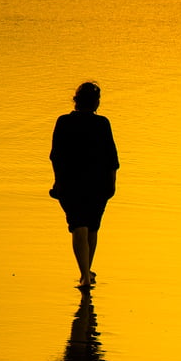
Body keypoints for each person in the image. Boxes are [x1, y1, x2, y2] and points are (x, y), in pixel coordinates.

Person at [50, 82, 119, 288]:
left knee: (78, 225)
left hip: (70, 184)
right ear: (96, 103)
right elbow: (112, 160)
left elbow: (56, 157)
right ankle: (86, 273)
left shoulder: (63, 122)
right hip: (97, 184)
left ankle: (85, 275)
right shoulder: (102, 123)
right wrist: (112, 185)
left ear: (75, 100)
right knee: (91, 228)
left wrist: (58, 182)